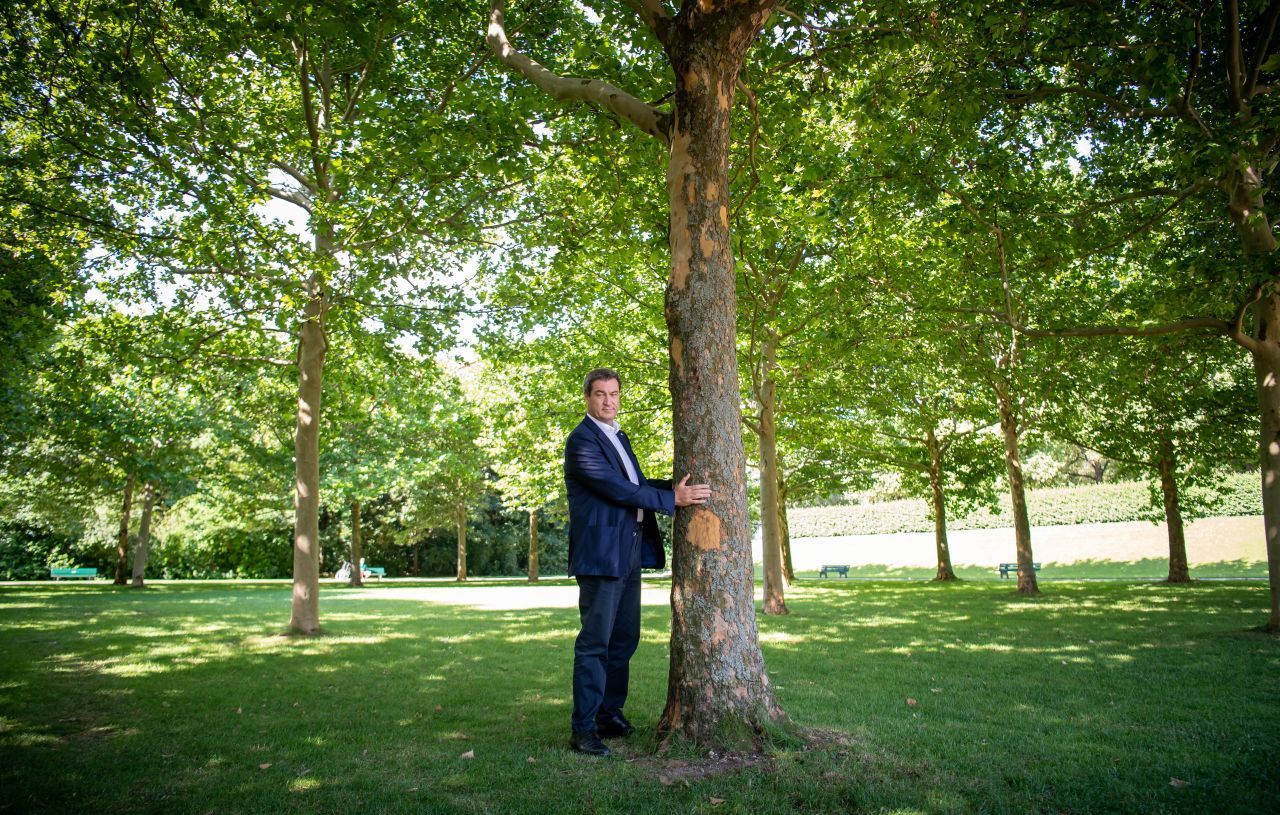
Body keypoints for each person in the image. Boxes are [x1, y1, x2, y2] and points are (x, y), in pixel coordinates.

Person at [563, 367, 711, 757]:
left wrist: (673, 489)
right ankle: (583, 728)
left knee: (624, 639)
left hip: (628, 553)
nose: (608, 401)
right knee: (595, 643)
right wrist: (671, 502)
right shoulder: (581, 441)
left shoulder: (618, 437)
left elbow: (637, 485)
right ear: (588, 398)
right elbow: (616, 489)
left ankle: (609, 714)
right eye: (599, 394)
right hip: (600, 556)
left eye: (613, 394)